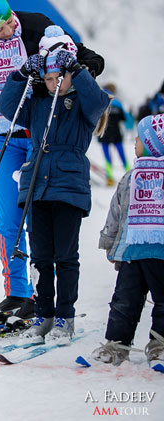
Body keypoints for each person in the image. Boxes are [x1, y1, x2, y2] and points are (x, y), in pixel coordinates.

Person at [0, 0, 104, 321]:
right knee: (9, 216)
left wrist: (71, 72)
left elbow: (90, 59)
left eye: (9, 22)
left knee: (40, 219)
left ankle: (43, 297)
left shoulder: (36, 24)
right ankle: (17, 293)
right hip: (6, 137)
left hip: (44, 137)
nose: (9, 30)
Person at [0, 25, 110, 343]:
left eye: (60, 77)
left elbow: (99, 101)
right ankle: (44, 314)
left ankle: (65, 317)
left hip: (68, 188)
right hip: (36, 187)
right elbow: (7, 108)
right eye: (48, 78)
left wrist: (76, 68)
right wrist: (21, 74)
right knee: (41, 257)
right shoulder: (36, 103)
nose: (54, 84)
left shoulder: (84, 106)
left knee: (65, 256)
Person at [92, 114, 164, 366]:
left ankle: (160, 344)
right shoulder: (132, 177)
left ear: (155, 143)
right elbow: (117, 212)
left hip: (161, 254)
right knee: (124, 299)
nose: (134, 143)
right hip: (132, 253)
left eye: (140, 139)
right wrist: (110, 242)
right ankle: (116, 344)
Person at [98, 83, 134, 186]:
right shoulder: (118, 103)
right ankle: (131, 177)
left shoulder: (101, 101)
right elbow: (124, 119)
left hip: (104, 133)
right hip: (116, 134)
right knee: (122, 156)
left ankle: (109, 179)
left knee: (107, 158)